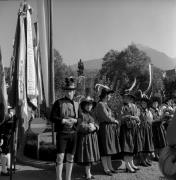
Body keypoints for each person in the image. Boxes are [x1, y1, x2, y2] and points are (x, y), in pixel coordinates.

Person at [50, 77, 78, 180]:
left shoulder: (76, 103)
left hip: (73, 133)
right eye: (68, 90)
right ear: (65, 91)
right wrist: (63, 120)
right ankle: (59, 178)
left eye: (71, 91)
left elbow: (80, 118)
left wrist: (76, 121)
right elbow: (52, 117)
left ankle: (68, 178)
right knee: (60, 157)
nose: (70, 92)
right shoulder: (58, 102)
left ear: (74, 91)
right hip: (62, 133)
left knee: (71, 157)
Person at [94, 87, 120, 176]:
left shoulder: (105, 104)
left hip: (108, 128)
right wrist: (115, 120)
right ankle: (106, 168)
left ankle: (110, 167)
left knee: (109, 149)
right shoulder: (100, 104)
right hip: (104, 128)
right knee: (105, 149)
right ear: (105, 95)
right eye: (109, 95)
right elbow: (106, 117)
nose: (110, 96)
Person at [75, 96, 100, 180]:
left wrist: (95, 127)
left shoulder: (92, 114)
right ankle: (88, 173)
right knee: (87, 155)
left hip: (92, 138)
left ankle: (88, 173)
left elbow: (97, 123)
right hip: (85, 138)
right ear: (84, 106)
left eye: (90, 105)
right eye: (87, 105)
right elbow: (80, 126)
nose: (89, 106)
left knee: (90, 155)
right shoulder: (81, 115)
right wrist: (88, 127)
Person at [120, 93, 140, 173]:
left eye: (129, 98)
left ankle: (131, 163)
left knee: (132, 146)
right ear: (124, 98)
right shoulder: (121, 106)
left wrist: (137, 120)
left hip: (133, 128)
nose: (128, 99)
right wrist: (129, 117)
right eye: (126, 97)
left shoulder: (134, 106)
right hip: (125, 128)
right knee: (126, 146)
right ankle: (127, 165)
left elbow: (137, 116)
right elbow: (120, 117)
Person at [150, 96, 167, 161]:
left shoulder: (158, 109)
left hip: (160, 127)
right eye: (154, 103)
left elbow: (160, 117)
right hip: (154, 127)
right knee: (156, 141)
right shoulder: (151, 110)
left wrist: (162, 118)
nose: (155, 104)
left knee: (161, 141)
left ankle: (160, 155)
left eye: (156, 103)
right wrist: (159, 119)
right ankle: (155, 155)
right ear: (152, 104)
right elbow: (152, 119)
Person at [139, 97, 154, 166]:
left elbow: (151, 120)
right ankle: (142, 160)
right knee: (142, 144)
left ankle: (145, 159)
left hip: (148, 129)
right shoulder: (139, 110)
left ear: (147, 104)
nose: (143, 104)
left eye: (145, 103)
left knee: (147, 144)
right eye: (142, 103)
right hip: (141, 129)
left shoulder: (149, 111)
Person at [0, 105, 15, 176]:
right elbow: (4, 121)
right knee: (4, 152)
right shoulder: (4, 116)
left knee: (7, 150)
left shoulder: (8, 116)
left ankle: (8, 166)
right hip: (3, 135)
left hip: (8, 135)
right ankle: (3, 170)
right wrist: (11, 115)